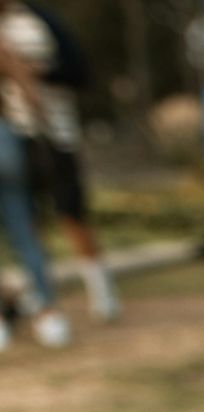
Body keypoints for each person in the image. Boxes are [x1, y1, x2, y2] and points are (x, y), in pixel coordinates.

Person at [0, 0, 117, 321]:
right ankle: (38, 296)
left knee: (71, 212)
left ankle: (102, 293)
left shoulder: (41, 22)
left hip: (57, 133)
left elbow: (78, 70)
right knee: (27, 221)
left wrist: (36, 71)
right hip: (14, 137)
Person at [0, 41, 66, 350]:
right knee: (25, 233)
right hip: (4, 142)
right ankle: (49, 315)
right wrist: (43, 130)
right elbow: (27, 89)